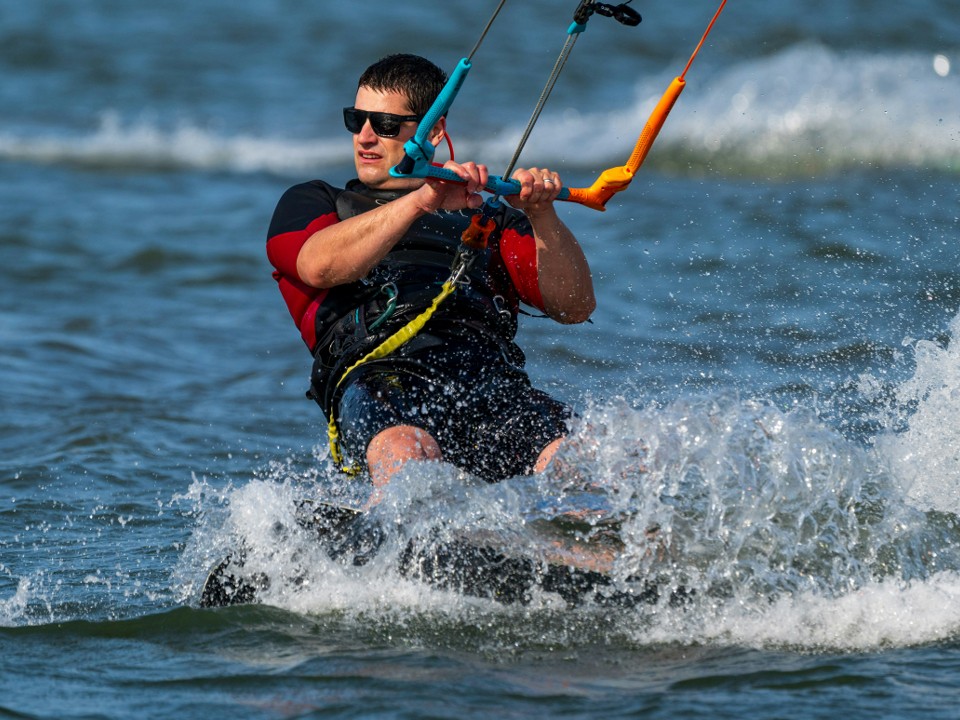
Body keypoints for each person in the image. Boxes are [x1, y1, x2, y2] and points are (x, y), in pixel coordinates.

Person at [266, 53, 595, 492]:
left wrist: (543, 216)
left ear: (434, 130)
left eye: (384, 124)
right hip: (382, 381)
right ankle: (409, 544)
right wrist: (424, 199)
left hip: (488, 381)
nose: (364, 137)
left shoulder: (489, 219)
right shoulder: (315, 203)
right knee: (405, 449)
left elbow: (574, 307)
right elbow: (319, 266)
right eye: (356, 119)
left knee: (576, 460)